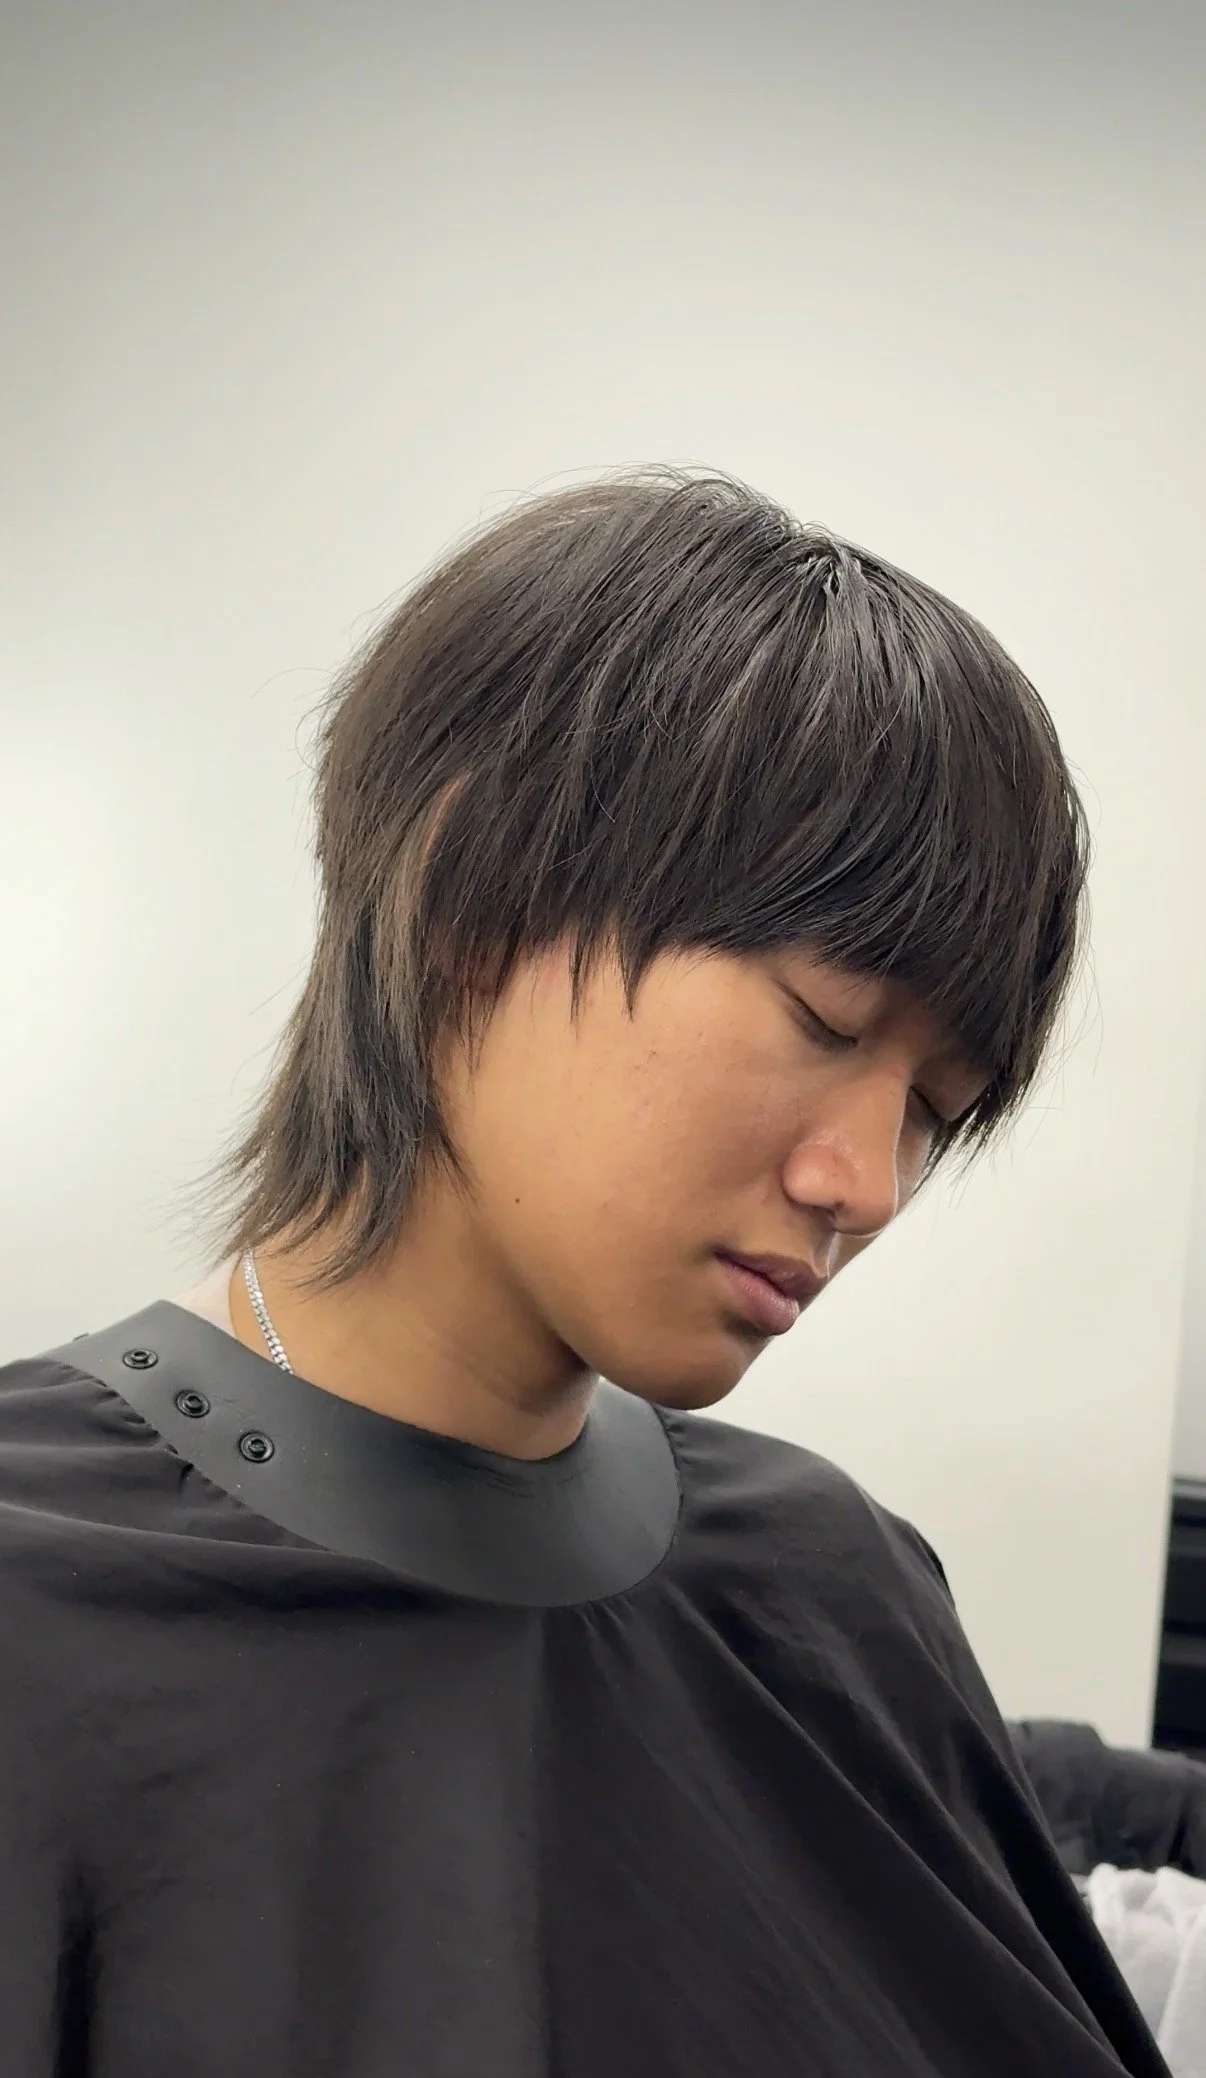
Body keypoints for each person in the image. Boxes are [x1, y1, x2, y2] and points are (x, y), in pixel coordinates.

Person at [0, 471, 1172, 2077]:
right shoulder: (37, 1609)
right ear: (471, 889)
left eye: (934, 1108)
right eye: (823, 1020)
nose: (867, 1181)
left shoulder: (836, 1578)